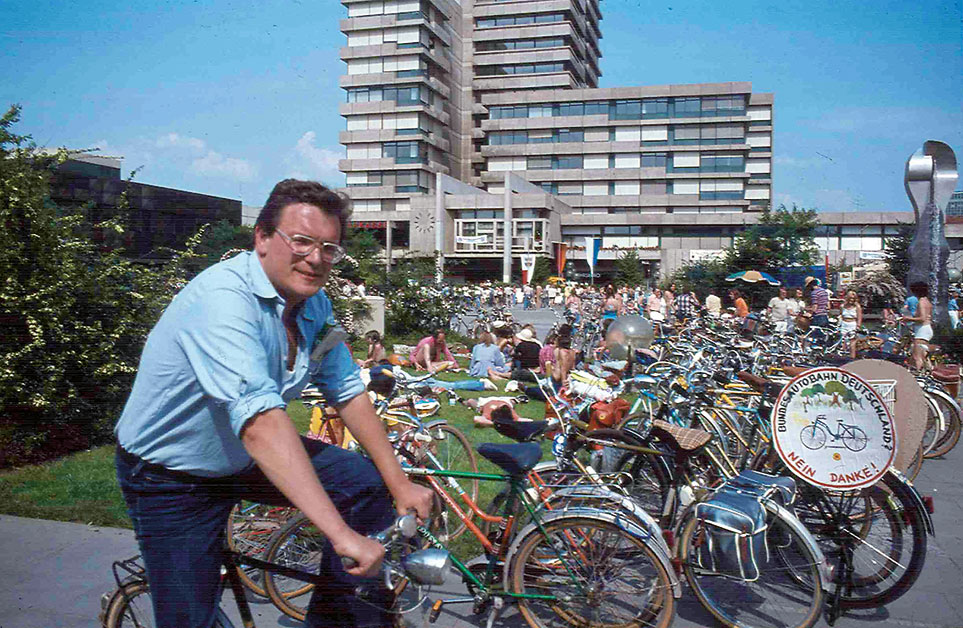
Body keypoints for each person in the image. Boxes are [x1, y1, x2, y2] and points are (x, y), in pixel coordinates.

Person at [114, 179, 433, 628]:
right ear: (262, 238)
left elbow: (347, 391)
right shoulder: (223, 301)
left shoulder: (313, 303)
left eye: (329, 248)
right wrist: (340, 536)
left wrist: (399, 483)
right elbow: (261, 421)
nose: (316, 258)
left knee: (366, 483)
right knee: (190, 618)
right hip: (172, 476)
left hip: (239, 457)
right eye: (301, 241)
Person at [903, 282, 933, 370]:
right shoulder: (927, 301)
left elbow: (922, 318)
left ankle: (918, 376)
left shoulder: (921, 302)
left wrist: (908, 319)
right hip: (926, 329)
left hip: (922, 331)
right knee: (923, 356)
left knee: (917, 357)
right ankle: (929, 373)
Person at [839, 289, 863, 359]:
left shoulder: (857, 307)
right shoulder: (842, 306)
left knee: (852, 343)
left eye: (853, 298)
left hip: (852, 324)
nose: (851, 300)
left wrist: (858, 326)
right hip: (844, 324)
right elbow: (840, 315)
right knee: (843, 342)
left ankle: (852, 358)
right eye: (850, 298)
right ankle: (842, 357)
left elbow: (859, 317)